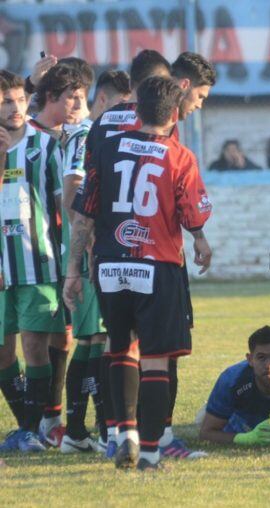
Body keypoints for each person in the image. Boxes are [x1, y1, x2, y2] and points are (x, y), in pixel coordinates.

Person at [64, 75, 213, 471]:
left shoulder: (107, 149)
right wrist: (200, 239)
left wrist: (73, 272)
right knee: (156, 359)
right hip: (155, 264)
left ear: (138, 108)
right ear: (174, 113)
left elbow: (84, 216)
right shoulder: (179, 156)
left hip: (110, 265)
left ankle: (124, 433)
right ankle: (149, 452)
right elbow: (192, 213)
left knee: (120, 347)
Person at [59, 68, 131, 454]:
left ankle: (77, 431)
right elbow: (72, 187)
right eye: (120, 105)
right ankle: (101, 429)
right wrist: (85, 242)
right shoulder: (89, 133)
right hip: (89, 251)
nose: (125, 113)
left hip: (94, 249)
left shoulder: (95, 133)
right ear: (102, 100)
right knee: (98, 339)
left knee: (92, 338)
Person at [0, 69, 66, 454]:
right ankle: (30, 424)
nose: (15, 107)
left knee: (34, 348)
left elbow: (63, 207)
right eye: (6, 101)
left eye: (20, 99)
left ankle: (27, 430)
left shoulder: (46, 147)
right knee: (4, 355)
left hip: (37, 264)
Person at [199, 326, 270, 445]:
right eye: (261, 358)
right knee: (207, 419)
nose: (269, 365)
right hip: (241, 426)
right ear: (250, 359)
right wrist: (244, 439)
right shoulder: (232, 380)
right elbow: (206, 433)